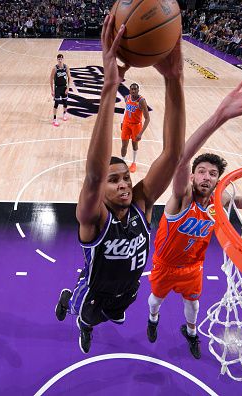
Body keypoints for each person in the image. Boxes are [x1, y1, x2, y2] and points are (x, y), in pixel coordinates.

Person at [54, 14, 187, 354]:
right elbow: (95, 176)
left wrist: (175, 80)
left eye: (126, 177)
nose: (124, 184)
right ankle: (75, 309)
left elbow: (173, 155)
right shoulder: (93, 216)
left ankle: (103, 314)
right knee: (87, 319)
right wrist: (110, 87)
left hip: (127, 291)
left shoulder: (141, 203)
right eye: (115, 181)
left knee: (118, 314)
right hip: (94, 292)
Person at [146, 81, 242, 361]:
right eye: (201, 171)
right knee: (155, 300)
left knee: (194, 307)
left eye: (212, 173)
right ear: (193, 175)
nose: (206, 177)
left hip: (193, 268)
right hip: (165, 264)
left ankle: (192, 332)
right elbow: (182, 158)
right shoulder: (181, 197)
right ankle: (153, 318)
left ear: (217, 180)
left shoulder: (220, 201)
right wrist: (219, 116)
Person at [120, 82, 150, 173]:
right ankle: (122, 163)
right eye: (132, 89)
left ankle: (133, 163)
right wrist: (122, 121)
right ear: (129, 90)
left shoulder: (141, 101)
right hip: (126, 124)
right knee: (124, 145)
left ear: (138, 90)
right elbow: (126, 109)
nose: (133, 91)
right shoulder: (127, 97)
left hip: (136, 126)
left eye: (135, 89)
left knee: (134, 145)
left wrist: (141, 133)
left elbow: (147, 118)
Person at [50, 53, 71, 127]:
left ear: (63, 59)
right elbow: (51, 79)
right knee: (57, 103)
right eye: (59, 59)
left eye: (61, 59)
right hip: (57, 88)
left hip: (64, 87)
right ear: (57, 60)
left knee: (65, 102)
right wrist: (52, 90)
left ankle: (64, 114)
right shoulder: (55, 68)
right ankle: (54, 119)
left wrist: (68, 88)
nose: (60, 60)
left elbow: (69, 78)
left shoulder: (66, 67)